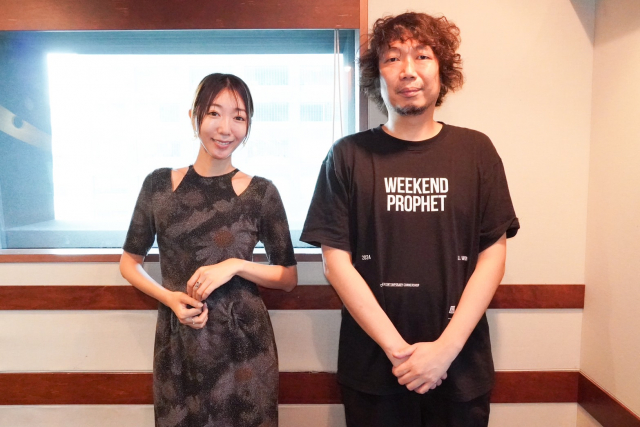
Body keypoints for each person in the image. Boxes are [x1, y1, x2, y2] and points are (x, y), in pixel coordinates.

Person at [301, 12, 519, 427]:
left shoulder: (477, 152)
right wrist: (399, 351)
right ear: (377, 75)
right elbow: (335, 262)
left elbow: (492, 256)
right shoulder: (347, 156)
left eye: (422, 55)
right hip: (374, 368)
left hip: (460, 368)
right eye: (392, 58)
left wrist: (444, 351)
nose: (407, 70)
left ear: (442, 69)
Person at [119, 73, 298, 427]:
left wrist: (235, 265)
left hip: (245, 349)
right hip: (180, 344)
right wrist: (169, 299)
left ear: (248, 125)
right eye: (214, 113)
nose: (226, 128)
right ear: (194, 116)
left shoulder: (262, 193)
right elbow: (129, 263)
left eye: (239, 117)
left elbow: (288, 277)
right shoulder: (158, 186)